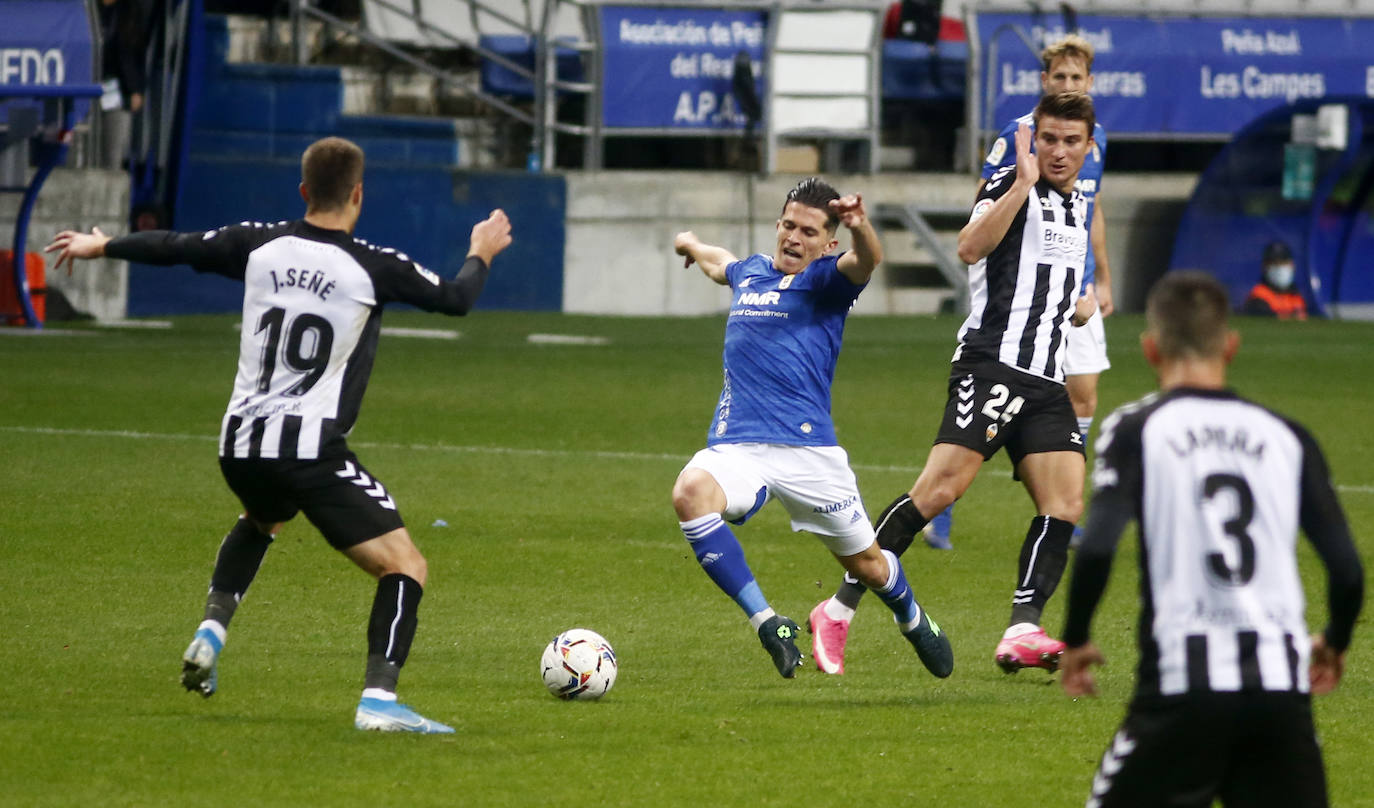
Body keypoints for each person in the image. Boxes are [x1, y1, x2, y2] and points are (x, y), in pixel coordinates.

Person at [45, 136, 513, 734]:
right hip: (308, 450)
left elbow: (179, 246)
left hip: (238, 444)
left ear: (303, 191)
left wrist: (103, 244)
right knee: (406, 566)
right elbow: (455, 299)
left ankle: (211, 632)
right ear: (358, 195)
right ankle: (379, 702)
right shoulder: (371, 265)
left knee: (263, 520)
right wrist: (481, 251)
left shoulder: (259, 243)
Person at [809, 92, 1097, 675]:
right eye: (1049, 139)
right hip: (992, 365)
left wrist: (1081, 303)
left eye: (1072, 141)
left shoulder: (1079, 207)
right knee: (937, 492)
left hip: (1046, 378)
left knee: (1064, 502)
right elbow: (969, 248)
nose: (1059, 152)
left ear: (1090, 147)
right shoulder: (1009, 189)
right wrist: (1019, 183)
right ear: (1032, 141)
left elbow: (1054, 285)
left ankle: (1022, 626)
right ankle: (837, 609)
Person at [1060, 271, 1362, 807]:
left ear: (1152, 349)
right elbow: (1346, 569)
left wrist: (1078, 636)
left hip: (1182, 693)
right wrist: (1334, 641)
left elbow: (1099, 544)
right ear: (1231, 345)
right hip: (1279, 699)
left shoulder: (1137, 429)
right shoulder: (1288, 436)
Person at [671, 177, 952, 680]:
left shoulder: (826, 281)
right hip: (738, 449)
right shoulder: (751, 274)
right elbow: (719, 262)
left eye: (808, 231)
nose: (793, 238)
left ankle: (912, 618)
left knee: (869, 564)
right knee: (690, 493)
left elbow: (866, 261)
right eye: (788, 225)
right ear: (777, 225)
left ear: (828, 243)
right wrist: (689, 243)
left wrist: (863, 227)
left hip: (810, 455)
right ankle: (769, 624)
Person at [926, 33, 1113, 550]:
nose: (1069, 84)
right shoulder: (1020, 134)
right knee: (990, 409)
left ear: (1090, 83)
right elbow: (990, 204)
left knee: (1083, 394)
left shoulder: (1095, 140)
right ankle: (943, 509)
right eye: (1060, 77)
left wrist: (1102, 276)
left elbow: (1091, 209)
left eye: (1077, 78)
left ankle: (1061, 504)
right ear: (1044, 81)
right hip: (1023, 286)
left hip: (1076, 289)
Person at [1242, 240, 1307, 320]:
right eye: (1275, 263)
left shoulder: (1296, 297)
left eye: (1283, 263)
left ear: (1292, 265)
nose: (1280, 268)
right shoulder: (1259, 295)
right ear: (1265, 267)